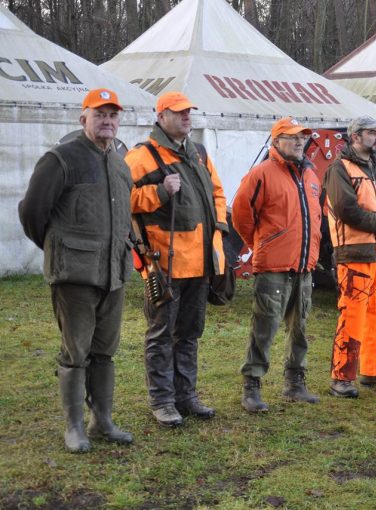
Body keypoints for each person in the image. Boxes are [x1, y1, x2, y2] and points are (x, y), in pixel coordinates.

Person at [18, 88, 134, 452]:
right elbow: (33, 212)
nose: (108, 121)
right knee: (76, 352)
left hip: (114, 273)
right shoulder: (61, 158)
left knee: (105, 351)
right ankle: (74, 427)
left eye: (113, 115)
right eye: (100, 114)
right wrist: (62, 250)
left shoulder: (119, 160)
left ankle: (102, 421)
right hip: (75, 277)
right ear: (82, 118)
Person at [125, 91, 228, 426]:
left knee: (189, 333)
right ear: (161, 116)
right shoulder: (141, 156)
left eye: (189, 112)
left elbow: (217, 191)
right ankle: (162, 401)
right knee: (160, 334)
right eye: (180, 112)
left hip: (199, 262)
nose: (187, 117)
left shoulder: (197, 153)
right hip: (164, 263)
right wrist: (158, 192)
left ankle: (187, 397)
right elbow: (121, 199)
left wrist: (221, 227)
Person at [231, 117, 322, 412]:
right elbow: (242, 216)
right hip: (273, 267)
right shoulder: (261, 174)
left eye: (302, 137)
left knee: (301, 327)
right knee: (265, 327)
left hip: (304, 265)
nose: (299, 142)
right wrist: (263, 244)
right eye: (292, 137)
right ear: (276, 141)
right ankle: (252, 386)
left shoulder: (310, 175)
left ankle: (295, 383)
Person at [325, 116, 376, 397]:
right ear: (355, 137)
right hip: (354, 253)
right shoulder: (339, 168)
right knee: (353, 314)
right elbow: (347, 210)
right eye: (371, 133)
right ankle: (342, 378)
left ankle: (374, 371)